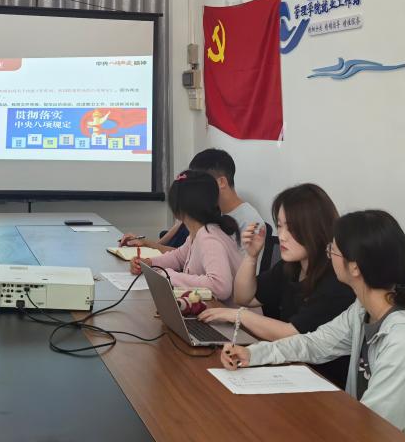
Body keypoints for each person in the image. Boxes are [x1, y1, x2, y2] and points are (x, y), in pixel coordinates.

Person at [221, 210, 405, 442]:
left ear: (355, 267)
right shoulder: (362, 310)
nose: (328, 255)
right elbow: (315, 344)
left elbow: (375, 428)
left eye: (334, 249)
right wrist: (254, 354)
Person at [198, 183, 354, 386]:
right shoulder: (291, 266)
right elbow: (244, 298)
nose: (282, 236)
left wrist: (239, 315)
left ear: (316, 228)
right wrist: (251, 256)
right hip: (288, 369)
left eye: (292, 228)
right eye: (280, 226)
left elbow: (293, 334)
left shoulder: (336, 279)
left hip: (323, 382)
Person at [129, 170, 243, 301]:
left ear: (177, 211)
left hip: (230, 313)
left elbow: (220, 286)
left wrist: (170, 276)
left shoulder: (209, 238)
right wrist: (149, 263)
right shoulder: (199, 233)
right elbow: (178, 257)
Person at [121, 148, 265, 252]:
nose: (196, 190)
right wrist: (145, 244)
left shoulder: (250, 222)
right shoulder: (211, 212)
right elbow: (184, 254)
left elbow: (238, 277)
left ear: (221, 182)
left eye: (201, 183)